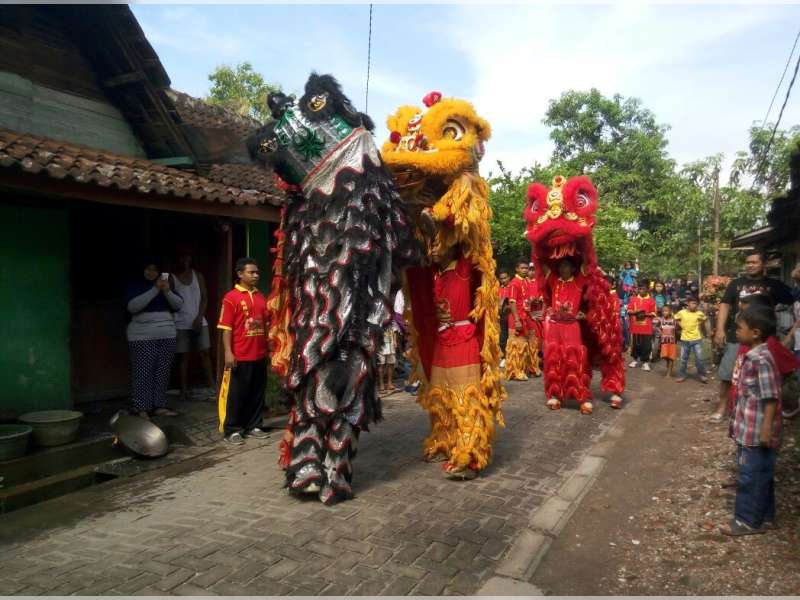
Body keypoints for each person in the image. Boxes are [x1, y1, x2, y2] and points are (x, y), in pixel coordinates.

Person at [719, 306, 781, 536]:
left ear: (755, 332)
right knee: (762, 473)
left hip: (756, 432)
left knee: (750, 477)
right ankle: (765, 516)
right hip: (750, 428)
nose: (736, 332)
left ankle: (746, 520)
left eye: (739, 328)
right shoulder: (754, 355)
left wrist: (765, 430)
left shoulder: (761, 360)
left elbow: (771, 397)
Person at [712, 251, 794, 421]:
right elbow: (725, 305)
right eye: (748, 262)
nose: (750, 265)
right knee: (728, 373)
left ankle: (771, 408)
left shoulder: (774, 285)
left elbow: (794, 299)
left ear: (763, 264)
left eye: (754, 262)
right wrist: (720, 329)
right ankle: (722, 407)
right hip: (739, 336)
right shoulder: (736, 283)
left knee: (768, 373)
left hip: (766, 339)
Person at [217, 257, 269, 445]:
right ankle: (232, 429)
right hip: (240, 355)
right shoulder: (231, 298)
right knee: (236, 394)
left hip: (259, 354)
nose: (256, 275)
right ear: (240, 274)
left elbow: (267, 324)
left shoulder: (261, 297)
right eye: (251, 272)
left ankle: (254, 425)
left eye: (257, 272)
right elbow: (226, 328)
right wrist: (228, 352)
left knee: (256, 393)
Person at [125, 257, 183, 419]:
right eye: (148, 269)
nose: (151, 272)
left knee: (162, 371)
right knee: (143, 372)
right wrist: (155, 289)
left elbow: (178, 305)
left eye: (155, 270)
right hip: (142, 336)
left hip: (167, 335)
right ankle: (141, 408)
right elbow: (133, 307)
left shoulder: (166, 287)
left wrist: (166, 290)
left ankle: (159, 406)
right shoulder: (136, 286)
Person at [543, 258, 591, 413]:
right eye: (561, 266)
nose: (564, 269)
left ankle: (581, 398)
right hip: (555, 327)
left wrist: (585, 241)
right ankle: (555, 394)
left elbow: (587, 260)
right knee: (554, 359)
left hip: (572, 326)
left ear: (572, 268)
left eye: (567, 266)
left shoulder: (578, 281)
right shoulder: (554, 281)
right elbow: (539, 261)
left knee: (575, 360)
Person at [172, 248, 216, 402]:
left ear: (191, 259)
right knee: (184, 357)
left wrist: (199, 317)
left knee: (205, 353)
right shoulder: (173, 278)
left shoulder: (198, 276)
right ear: (178, 259)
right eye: (182, 257)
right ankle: (183, 389)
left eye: (187, 257)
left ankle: (212, 386)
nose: (185, 259)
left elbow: (204, 297)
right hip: (180, 323)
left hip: (199, 321)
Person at [504, 260, 530, 381]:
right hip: (516, 319)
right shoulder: (514, 283)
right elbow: (512, 302)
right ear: (517, 269)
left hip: (524, 317)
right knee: (516, 346)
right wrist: (517, 320)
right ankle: (516, 372)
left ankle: (519, 370)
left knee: (522, 346)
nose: (525, 270)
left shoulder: (524, 281)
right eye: (522, 268)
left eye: (526, 268)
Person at [674, 296, 710, 384]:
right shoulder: (682, 313)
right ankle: (682, 375)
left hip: (696, 339)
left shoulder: (699, 313)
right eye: (693, 303)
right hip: (685, 339)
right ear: (688, 303)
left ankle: (702, 375)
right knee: (683, 359)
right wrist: (681, 325)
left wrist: (708, 331)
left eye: (696, 304)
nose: (695, 306)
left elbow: (706, 320)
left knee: (699, 359)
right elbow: (675, 318)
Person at [627, 283, 657, 371]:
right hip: (635, 326)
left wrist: (645, 314)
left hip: (647, 327)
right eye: (639, 289)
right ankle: (635, 359)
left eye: (643, 289)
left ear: (647, 290)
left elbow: (654, 312)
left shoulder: (651, 300)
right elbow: (629, 310)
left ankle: (645, 362)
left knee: (646, 344)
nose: (641, 291)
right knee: (635, 344)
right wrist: (635, 312)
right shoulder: (633, 299)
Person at [524, 266, 544, 377]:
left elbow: (543, 294)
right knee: (532, 339)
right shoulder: (524, 283)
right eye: (530, 269)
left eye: (534, 269)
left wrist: (540, 298)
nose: (532, 271)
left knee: (541, 338)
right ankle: (531, 365)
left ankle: (539, 362)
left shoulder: (539, 282)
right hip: (528, 315)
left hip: (539, 313)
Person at [654, 304, 678, 377]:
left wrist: (675, 336)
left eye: (666, 311)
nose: (664, 312)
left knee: (671, 357)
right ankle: (668, 365)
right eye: (663, 311)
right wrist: (660, 332)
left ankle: (668, 373)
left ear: (670, 311)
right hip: (664, 341)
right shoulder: (661, 320)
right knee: (664, 356)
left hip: (672, 341)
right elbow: (656, 326)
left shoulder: (674, 320)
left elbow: (677, 329)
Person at [377, 323, 397, 395]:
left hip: (390, 343)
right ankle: (381, 385)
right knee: (380, 364)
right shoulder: (376, 315)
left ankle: (389, 383)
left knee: (391, 363)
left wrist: (395, 341)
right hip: (380, 344)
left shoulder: (390, 315)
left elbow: (394, 330)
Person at [498, 269, 511, 367]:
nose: (503, 280)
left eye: (505, 278)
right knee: (502, 338)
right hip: (502, 318)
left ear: (509, 278)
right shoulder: (497, 289)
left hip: (511, 318)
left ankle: (511, 358)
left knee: (512, 338)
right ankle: (504, 357)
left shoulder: (512, 287)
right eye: (501, 278)